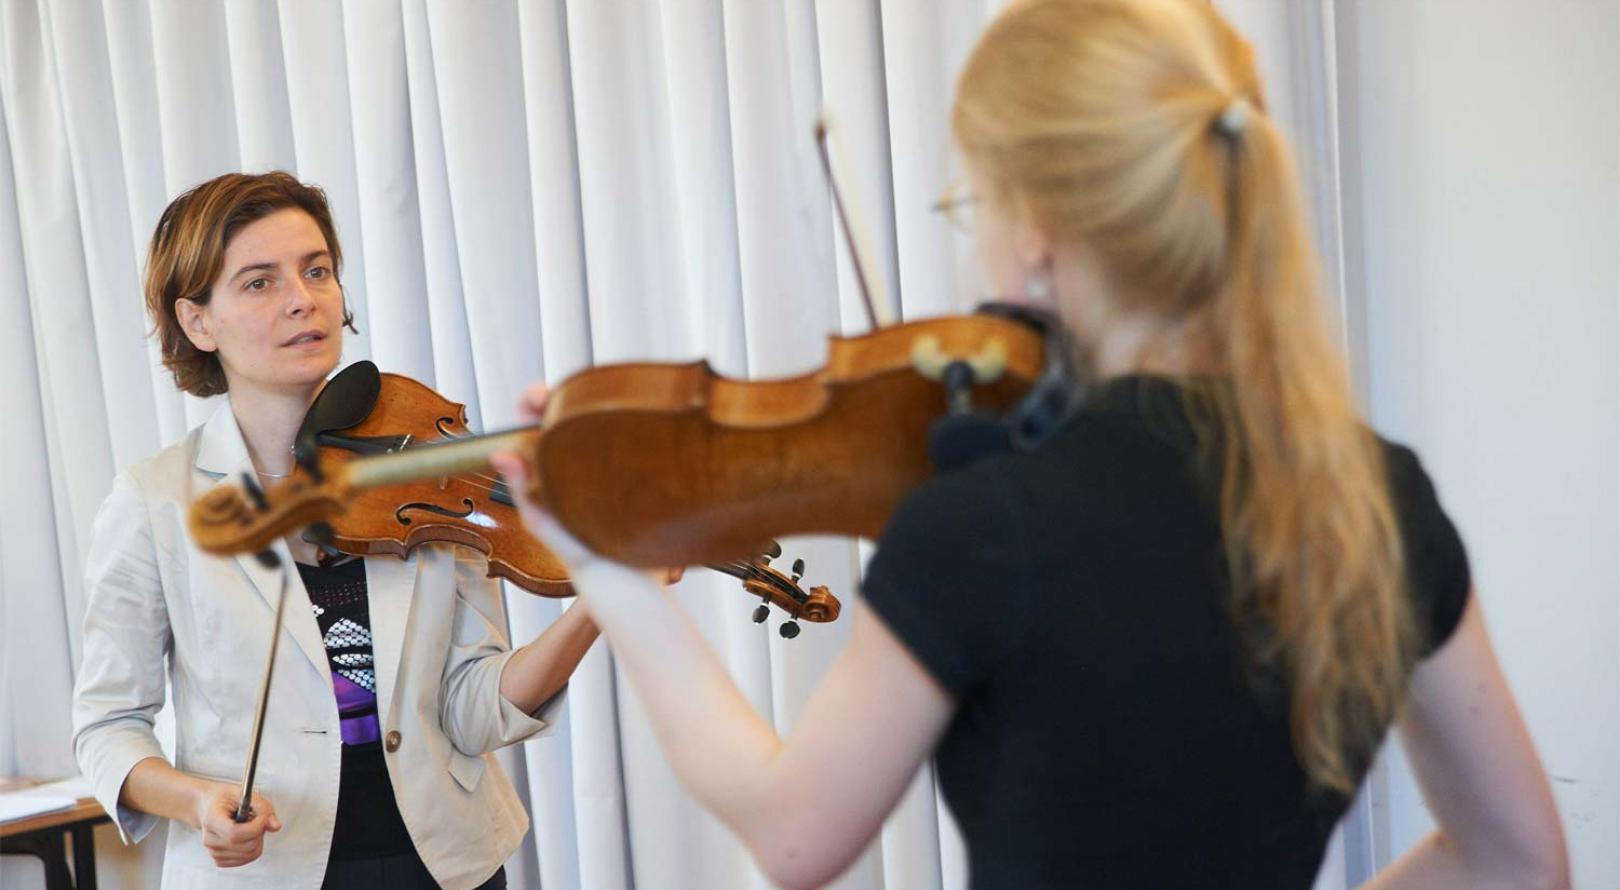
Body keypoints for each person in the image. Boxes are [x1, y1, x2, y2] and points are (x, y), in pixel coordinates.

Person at [489, 1, 1570, 888]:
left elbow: (792, 834)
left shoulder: (986, 525)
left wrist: (607, 569)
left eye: (977, 202)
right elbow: (1518, 862)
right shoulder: (1374, 494)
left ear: (1041, 236)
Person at [72, 171, 599, 889]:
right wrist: (195, 802)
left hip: (449, 864)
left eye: (317, 270)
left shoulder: (426, 469)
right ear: (198, 322)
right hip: (266, 871)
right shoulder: (154, 501)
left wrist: (596, 608)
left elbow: (473, 711)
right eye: (260, 282)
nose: (303, 298)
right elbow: (107, 725)